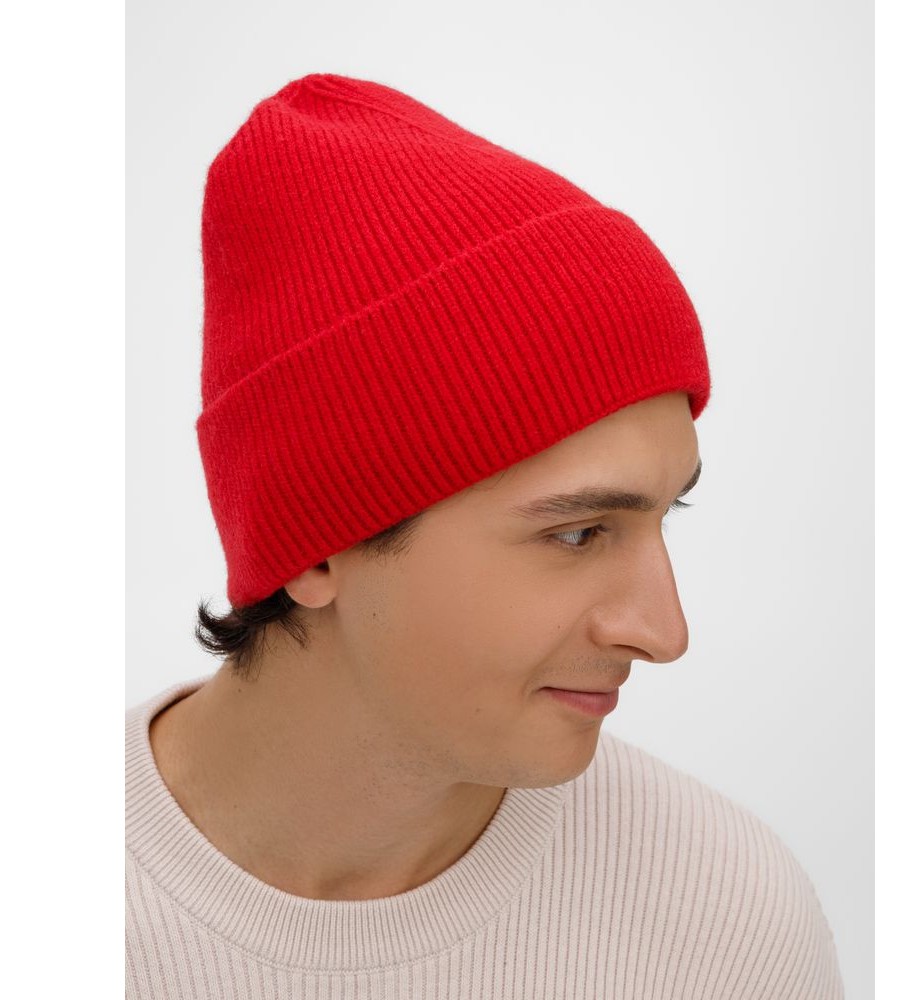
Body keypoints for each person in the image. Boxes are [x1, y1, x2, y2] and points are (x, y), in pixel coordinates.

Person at [126, 72, 844, 999]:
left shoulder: (727, 921)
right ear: (317, 545)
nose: (665, 634)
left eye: (667, 515)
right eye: (579, 534)